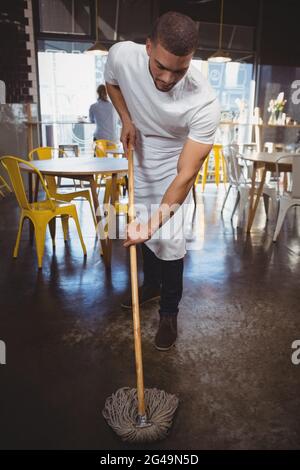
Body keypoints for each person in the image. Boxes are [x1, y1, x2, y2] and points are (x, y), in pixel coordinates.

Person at [104, 11, 220, 351]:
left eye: (180, 70)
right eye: (160, 66)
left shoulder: (205, 102)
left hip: (174, 161)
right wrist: (126, 118)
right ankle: (150, 286)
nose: (168, 78)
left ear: (192, 61)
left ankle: (169, 314)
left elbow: (186, 174)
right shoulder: (122, 56)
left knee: (168, 240)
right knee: (144, 234)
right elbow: (112, 83)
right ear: (148, 47)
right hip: (138, 152)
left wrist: (154, 222)